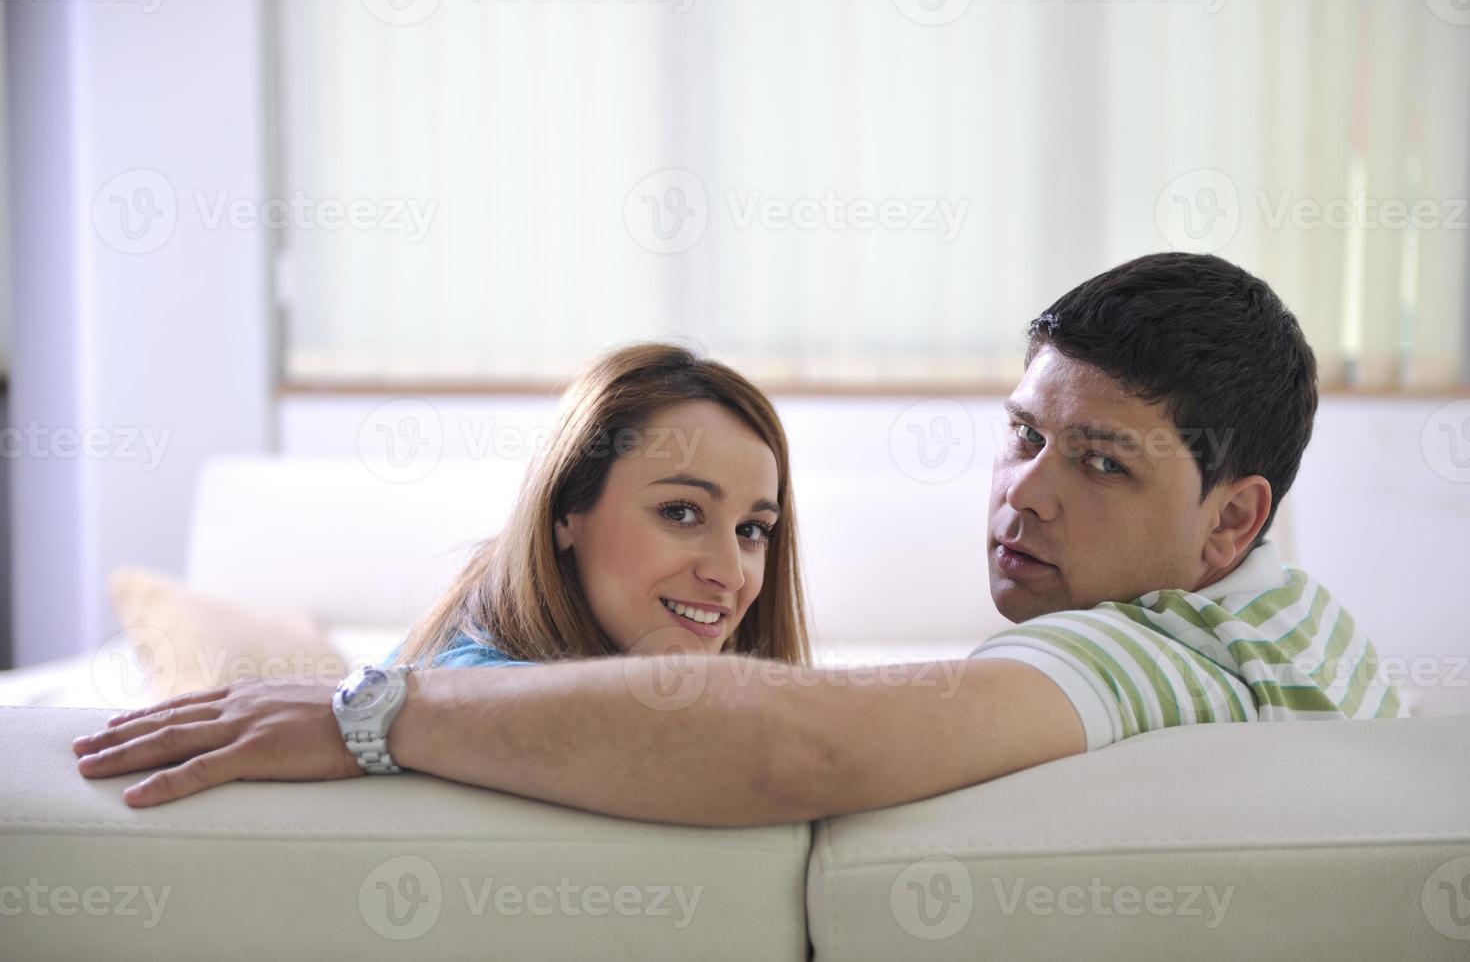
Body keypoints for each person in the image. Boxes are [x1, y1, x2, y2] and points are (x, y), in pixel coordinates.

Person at [74, 253, 1407, 825]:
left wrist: (372, 713)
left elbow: (804, 743)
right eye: (1020, 434)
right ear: (565, 512)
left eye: (1099, 462)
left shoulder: (1166, 650)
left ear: (1232, 523)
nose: (1019, 495)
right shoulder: (1301, 629)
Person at [378, 341, 811, 672]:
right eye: (680, 512)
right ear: (566, 509)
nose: (731, 574)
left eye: (752, 530)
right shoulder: (475, 687)